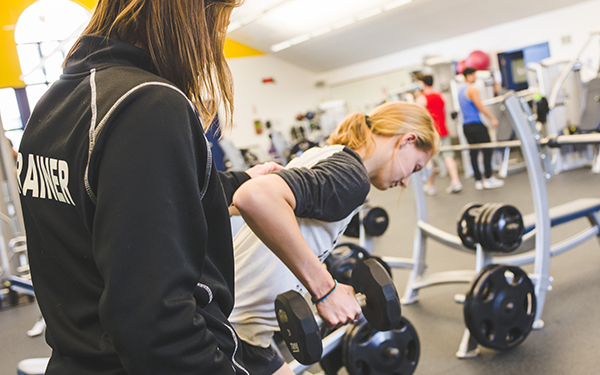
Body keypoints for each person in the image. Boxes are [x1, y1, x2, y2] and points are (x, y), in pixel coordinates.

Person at [16, 1, 283, 374]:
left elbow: (126, 201)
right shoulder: (149, 104)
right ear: (191, 13)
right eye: (218, 19)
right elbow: (158, 325)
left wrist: (241, 183)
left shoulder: (57, 103)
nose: (214, 41)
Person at [229, 101, 440, 375]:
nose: (406, 182)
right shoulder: (352, 178)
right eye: (415, 168)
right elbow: (253, 197)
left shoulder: (324, 153)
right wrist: (325, 289)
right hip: (233, 331)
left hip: (244, 326)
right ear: (407, 140)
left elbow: (255, 210)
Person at [458, 67, 504, 190]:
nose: (476, 78)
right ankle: (488, 178)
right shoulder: (472, 89)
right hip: (476, 124)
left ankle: (478, 180)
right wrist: (492, 118)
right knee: (487, 150)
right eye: (474, 75)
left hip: (466, 126)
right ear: (468, 76)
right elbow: (480, 106)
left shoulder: (460, 90)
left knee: (473, 153)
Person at [415, 74, 462, 195]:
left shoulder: (421, 99)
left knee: (431, 161)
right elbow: (444, 113)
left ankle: (430, 186)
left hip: (431, 134)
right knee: (448, 156)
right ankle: (456, 182)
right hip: (443, 131)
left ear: (423, 84)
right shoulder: (441, 96)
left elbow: (419, 119)